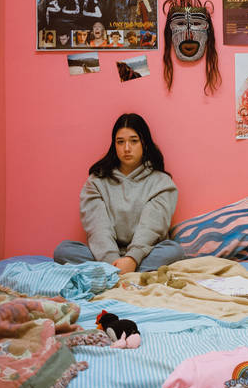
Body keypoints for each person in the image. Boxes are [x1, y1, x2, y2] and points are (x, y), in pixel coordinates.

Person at [54, 113, 185, 272]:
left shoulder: (162, 182)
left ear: (144, 143)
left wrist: (132, 259)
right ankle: (121, 272)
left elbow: (151, 228)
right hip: (104, 255)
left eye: (134, 141)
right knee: (64, 250)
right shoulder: (96, 181)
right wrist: (112, 261)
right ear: (114, 145)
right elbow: (98, 228)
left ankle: (107, 273)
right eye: (120, 142)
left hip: (144, 253)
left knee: (174, 251)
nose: (127, 148)